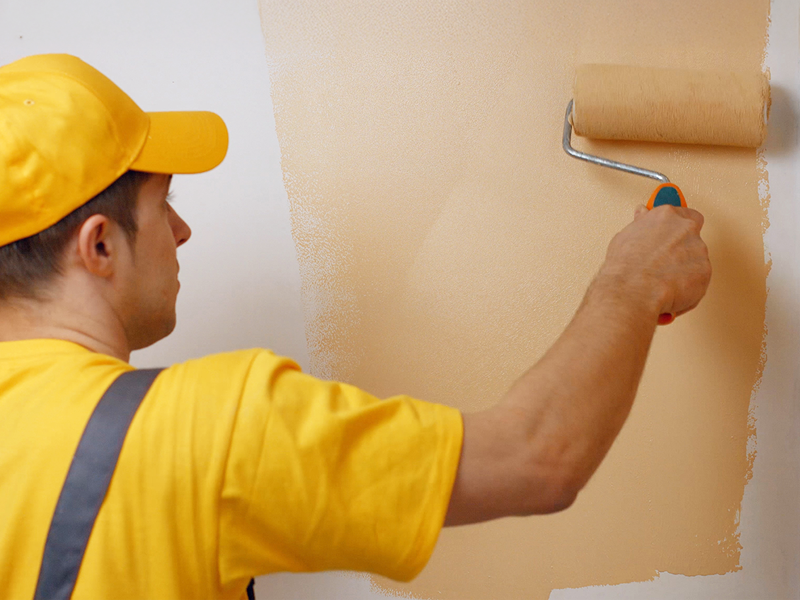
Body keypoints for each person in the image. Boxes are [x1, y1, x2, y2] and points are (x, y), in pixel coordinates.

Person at [0, 54, 711, 600]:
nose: (182, 231)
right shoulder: (203, 430)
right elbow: (535, 459)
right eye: (164, 204)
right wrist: (633, 280)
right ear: (99, 246)